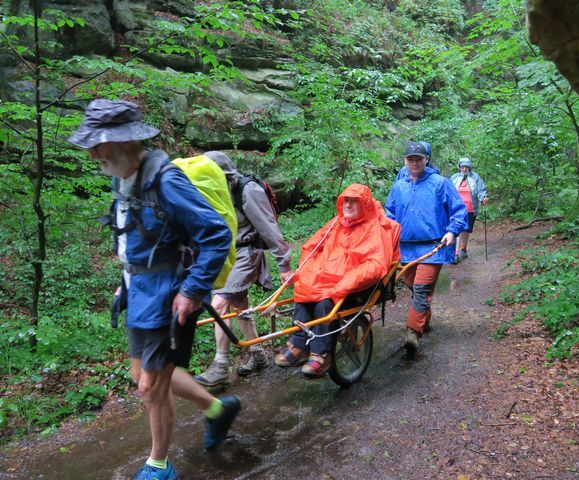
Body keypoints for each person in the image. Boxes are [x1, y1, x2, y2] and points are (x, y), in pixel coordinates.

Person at [67, 99, 241, 480]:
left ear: (127, 142)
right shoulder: (124, 175)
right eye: (91, 144)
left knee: (151, 388)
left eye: (100, 143)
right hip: (139, 292)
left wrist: (194, 290)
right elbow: (134, 240)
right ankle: (217, 409)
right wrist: (122, 284)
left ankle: (159, 466)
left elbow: (215, 233)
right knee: (139, 374)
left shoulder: (166, 180)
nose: (93, 152)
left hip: (169, 296)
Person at [274, 183, 400, 377]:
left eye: (354, 202)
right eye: (346, 201)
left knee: (324, 301)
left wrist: (346, 282)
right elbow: (312, 248)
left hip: (355, 283)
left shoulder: (374, 229)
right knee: (304, 290)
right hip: (330, 275)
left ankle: (321, 355)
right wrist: (305, 273)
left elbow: (376, 264)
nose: (348, 206)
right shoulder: (336, 223)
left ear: (364, 204)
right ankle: (299, 345)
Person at [194, 151, 292, 387]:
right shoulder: (214, 190)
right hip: (225, 254)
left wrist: (284, 263)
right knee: (239, 305)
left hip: (247, 253)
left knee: (219, 304)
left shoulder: (247, 191)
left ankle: (219, 366)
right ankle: (258, 354)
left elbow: (269, 228)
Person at [385, 142, 468, 355]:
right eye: (411, 159)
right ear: (405, 161)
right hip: (405, 248)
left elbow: (459, 211)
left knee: (421, 289)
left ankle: (412, 333)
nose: (415, 162)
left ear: (426, 159)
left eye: (418, 159)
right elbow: (390, 213)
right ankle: (424, 318)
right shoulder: (399, 186)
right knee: (413, 287)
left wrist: (452, 231)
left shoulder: (440, 183)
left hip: (434, 247)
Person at [449, 157, 488, 263]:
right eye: (462, 167)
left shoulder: (475, 177)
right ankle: (455, 254)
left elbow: (481, 190)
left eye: (466, 167)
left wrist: (483, 197)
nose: (464, 169)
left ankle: (463, 248)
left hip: (471, 209)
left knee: (466, 230)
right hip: (457, 209)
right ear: (459, 167)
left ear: (469, 168)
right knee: (457, 229)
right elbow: (448, 190)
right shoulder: (454, 177)